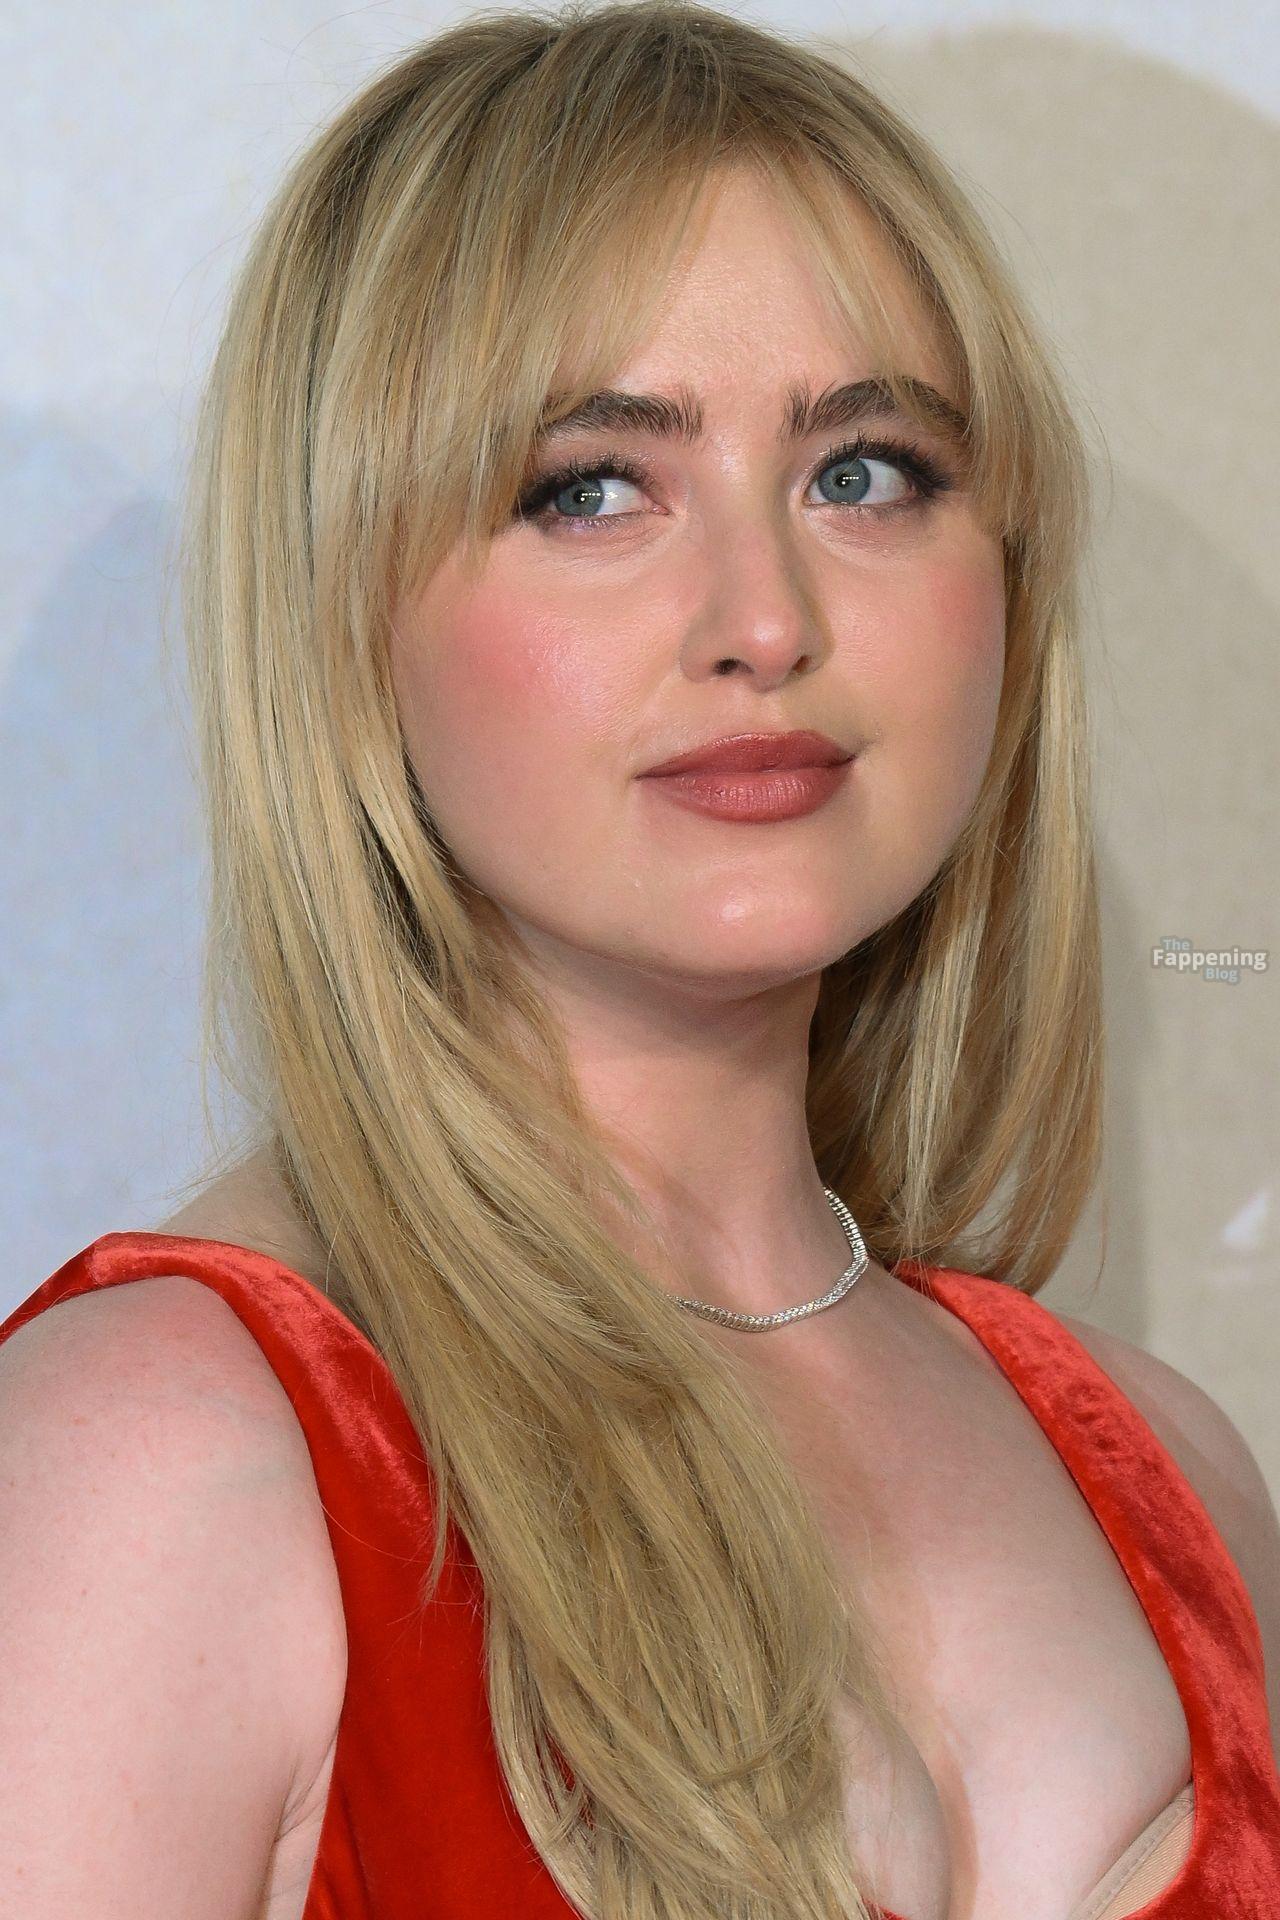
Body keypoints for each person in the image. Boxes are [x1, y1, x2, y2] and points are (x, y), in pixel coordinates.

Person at [2, 4, 1278, 1917]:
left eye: (867, 472)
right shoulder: (152, 1466)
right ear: (342, 614)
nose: (765, 618)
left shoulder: (1173, 1472)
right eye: (590, 486)